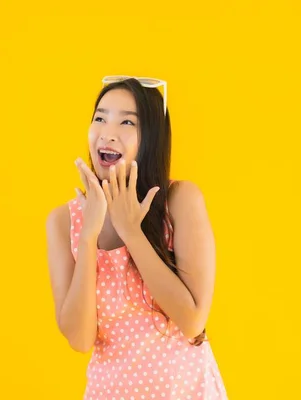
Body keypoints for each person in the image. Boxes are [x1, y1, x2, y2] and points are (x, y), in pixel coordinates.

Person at [46, 76, 229, 400]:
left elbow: (191, 320)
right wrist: (89, 236)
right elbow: (79, 338)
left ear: (151, 139)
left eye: (127, 122)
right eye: (100, 117)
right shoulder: (64, 221)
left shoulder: (180, 200)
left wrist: (131, 231)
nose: (108, 132)